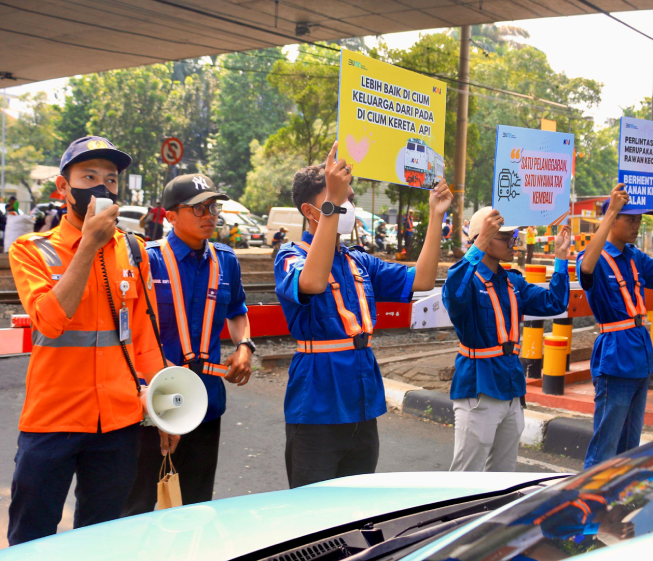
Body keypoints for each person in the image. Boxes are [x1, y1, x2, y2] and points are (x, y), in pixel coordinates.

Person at [6, 136, 168, 546]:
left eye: (111, 179)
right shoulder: (32, 251)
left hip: (117, 422)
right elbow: (49, 321)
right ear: (63, 187)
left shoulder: (134, 250)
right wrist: (89, 245)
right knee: (31, 540)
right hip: (52, 420)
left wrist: (165, 411)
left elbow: (144, 338)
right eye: (89, 176)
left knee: (102, 541)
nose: (102, 187)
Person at [274, 142, 452, 488]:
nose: (349, 206)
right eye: (340, 198)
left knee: (357, 505)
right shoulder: (290, 256)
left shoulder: (358, 261)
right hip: (317, 406)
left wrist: (436, 216)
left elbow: (422, 279)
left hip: (362, 403)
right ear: (311, 211)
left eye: (349, 198)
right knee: (313, 508)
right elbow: (312, 282)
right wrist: (333, 203)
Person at [123, 174, 253, 514]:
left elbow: (238, 310)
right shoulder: (147, 260)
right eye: (198, 208)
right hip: (151, 403)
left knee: (195, 506)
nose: (209, 215)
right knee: (136, 506)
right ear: (171, 216)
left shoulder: (226, 261)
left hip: (204, 403)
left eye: (213, 207)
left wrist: (244, 345)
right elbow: (127, 332)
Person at [444, 207, 571, 472]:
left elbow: (555, 302)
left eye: (514, 237)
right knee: (465, 480)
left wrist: (561, 258)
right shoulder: (469, 282)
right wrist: (478, 244)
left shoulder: (513, 282)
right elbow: (453, 293)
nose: (514, 243)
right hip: (479, 389)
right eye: (506, 237)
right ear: (484, 238)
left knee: (502, 478)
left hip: (511, 388)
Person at [577, 184, 653, 468]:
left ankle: (621, 491)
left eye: (639, 220)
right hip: (615, 356)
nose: (637, 225)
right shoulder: (595, 258)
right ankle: (589, 493)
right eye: (630, 219)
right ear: (612, 220)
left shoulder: (634, 256)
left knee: (630, 445)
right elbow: (586, 268)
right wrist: (610, 211)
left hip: (640, 354)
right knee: (605, 445)